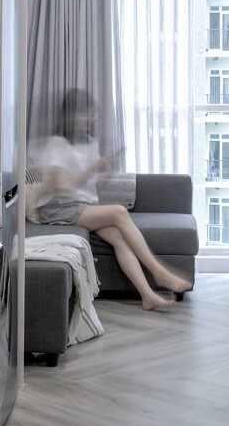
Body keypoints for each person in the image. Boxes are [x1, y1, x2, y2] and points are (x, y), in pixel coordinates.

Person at [28, 89, 194, 311]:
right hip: (58, 208)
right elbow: (61, 186)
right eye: (83, 114)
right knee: (119, 212)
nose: (89, 118)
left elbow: (93, 185)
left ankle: (147, 295)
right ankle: (159, 272)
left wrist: (104, 169)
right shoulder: (58, 144)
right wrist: (92, 169)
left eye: (91, 114)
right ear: (69, 116)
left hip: (84, 206)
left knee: (118, 237)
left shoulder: (90, 143)